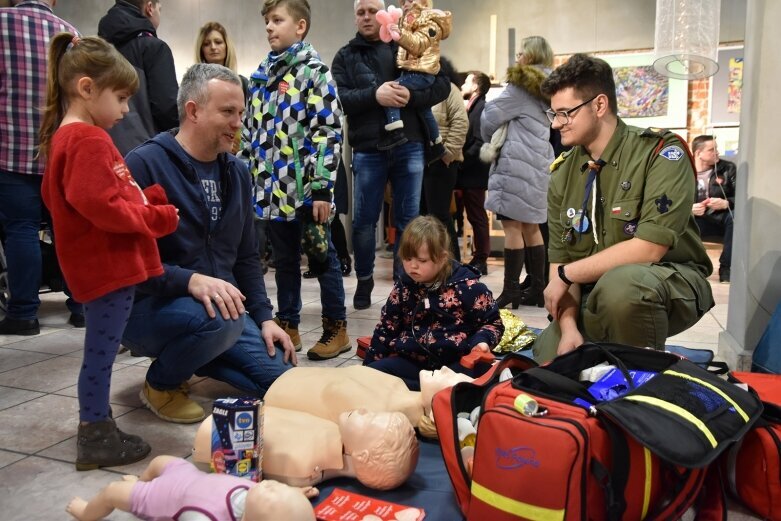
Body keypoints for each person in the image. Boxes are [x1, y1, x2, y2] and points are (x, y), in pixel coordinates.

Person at [123, 63, 296, 424]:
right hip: (149, 309)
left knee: (283, 380)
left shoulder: (237, 172)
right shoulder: (144, 164)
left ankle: (201, 354)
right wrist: (190, 280)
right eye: (228, 112)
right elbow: (128, 266)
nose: (238, 123)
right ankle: (160, 383)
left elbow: (247, 256)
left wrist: (265, 318)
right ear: (193, 111)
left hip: (219, 312)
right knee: (221, 322)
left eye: (241, 113)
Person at [39, 34, 179, 469]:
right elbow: (101, 204)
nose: (124, 110)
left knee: (99, 351)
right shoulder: (87, 140)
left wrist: (145, 199)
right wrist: (153, 217)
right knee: (99, 354)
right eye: (120, 98)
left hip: (96, 266)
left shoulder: (67, 138)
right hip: (108, 268)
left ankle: (96, 424)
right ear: (86, 88)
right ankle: (95, 433)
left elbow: (108, 192)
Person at [533, 53, 714, 364]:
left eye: (566, 113)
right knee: (547, 358)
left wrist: (567, 274)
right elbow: (560, 261)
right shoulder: (563, 173)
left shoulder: (660, 153)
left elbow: (649, 249)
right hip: (595, 291)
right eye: (554, 113)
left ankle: (643, 380)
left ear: (599, 105)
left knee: (623, 290)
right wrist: (568, 325)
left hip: (668, 279)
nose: (556, 123)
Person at [241, 0, 349, 361]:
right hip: (272, 192)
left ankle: (337, 326)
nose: (269, 28)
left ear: (300, 27)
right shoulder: (261, 76)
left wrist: (321, 187)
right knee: (284, 259)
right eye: (267, 22)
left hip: (305, 190)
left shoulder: (314, 72)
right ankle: (288, 322)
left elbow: (327, 132)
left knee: (322, 257)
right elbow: (250, 131)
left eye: (277, 20)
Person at [332, 0, 450, 309]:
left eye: (373, 10)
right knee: (362, 221)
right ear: (355, 15)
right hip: (368, 148)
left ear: (385, 12)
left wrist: (411, 94)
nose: (367, 17)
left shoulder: (406, 38)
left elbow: (443, 84)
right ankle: (365, 280)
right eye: (361, 11)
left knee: (408, 221)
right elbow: (340, 100)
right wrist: (375, 95)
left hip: (409, 143)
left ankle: (405, 287)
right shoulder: (345, 56)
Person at [0, 0, 84, 336]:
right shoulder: (69, 33)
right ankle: (82, 306)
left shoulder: (2, 24)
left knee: (21, 230)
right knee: (67, 231)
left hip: (10, 151)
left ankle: (23, 314)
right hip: (60, 154)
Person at [363, 216, 504, 390]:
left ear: (442, 258)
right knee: (370, 377)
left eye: (422, 261)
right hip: (412, 362)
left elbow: (493, 323)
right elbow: (386, 329)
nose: (412, 266)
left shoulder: (468, 288)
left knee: (483, 379)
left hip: (455, 364)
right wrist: (367, 370)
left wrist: (482, 341)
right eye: (407, 259)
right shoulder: (403, 288)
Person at [481, 36, 555, 309]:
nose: (517, 57)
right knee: (533, 227)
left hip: (515, 162)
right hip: (538, 162)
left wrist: (489, 139)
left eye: (521, 53)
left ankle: (511, 291)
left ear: (532, 56)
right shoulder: (553, 89)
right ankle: (538, 289)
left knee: (512, 226)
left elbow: (489, 117)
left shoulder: (521, 87)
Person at [194, 406, 419, 491]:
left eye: (368, 420)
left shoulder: (304, 467)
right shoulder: (329, 432)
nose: (362, 410)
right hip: (227, 422)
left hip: (216, 435)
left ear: (362, 455)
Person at [65, 455, 316, 521]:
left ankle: (87, 511)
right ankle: (141, 481)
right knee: (160, 461)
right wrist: (291, 496)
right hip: (187, 474)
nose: (271, 486)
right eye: (276, 487)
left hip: (161, 497)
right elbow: (275, 503)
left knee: (111, 491)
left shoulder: (203, 516)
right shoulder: (257, 497)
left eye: (272, 494)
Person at [98, 0, 178, 153]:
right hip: (145, 155)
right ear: (150, 8)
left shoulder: (97, 49)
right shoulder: (154, 48)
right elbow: (167, 109)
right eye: (159, 9)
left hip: (105, 151)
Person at [378, 0, 451, 159]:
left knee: (392, 92)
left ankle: (395, 132)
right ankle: (436, 143)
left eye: (410, 0)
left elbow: (418, 44)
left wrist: (399, 33)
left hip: (422, 73)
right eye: (403, 1)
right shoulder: (411, 21)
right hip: (414, 70)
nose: (405, 4)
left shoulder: (431, 23)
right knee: (423, 109)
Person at [420, 56, 467, 261]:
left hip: (442, 162)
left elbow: (461, 122)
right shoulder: (420, 90)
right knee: (423, 217)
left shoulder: (449, 89)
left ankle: (452, 265)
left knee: (439, 215)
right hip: (421, 161)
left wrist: (447, 154)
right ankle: (430, 262)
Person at [456, 70, 492, 276]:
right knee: (473, 214)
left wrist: (461, 162)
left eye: (467, 82)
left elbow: (478, 142)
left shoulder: (481, 108)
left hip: (474, 172)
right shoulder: (473, 107)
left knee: (477, 216)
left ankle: (481, 259)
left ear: (476, 87)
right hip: (470, 171)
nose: (462, 86)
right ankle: (479, 257)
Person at [690, 134, 736, 283]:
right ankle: (692, 268)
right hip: (694, 219)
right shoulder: (683, 170)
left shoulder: (727, 168)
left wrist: (726, 203)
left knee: (734, 218)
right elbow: (670, 198)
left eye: (717, 148)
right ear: (698, 153)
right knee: (675, 219)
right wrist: (689, 209)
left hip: (719, 219)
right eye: (712, 149)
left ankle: (726, 270)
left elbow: (740, 197)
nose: (717, 152)